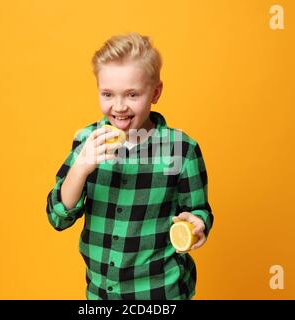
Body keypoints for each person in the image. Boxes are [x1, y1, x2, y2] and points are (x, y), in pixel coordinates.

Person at [46, 32, 214, 300]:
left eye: (132, 94)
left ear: (155, 92)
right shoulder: (86, 141)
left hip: (161, 292)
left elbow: (198, 210)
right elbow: (58, 217)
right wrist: (81, 167)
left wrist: (197, 223)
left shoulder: (182, 149)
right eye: (108, 94)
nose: (119, 106)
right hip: (100, 294)